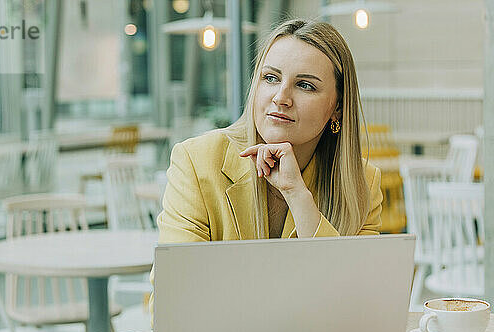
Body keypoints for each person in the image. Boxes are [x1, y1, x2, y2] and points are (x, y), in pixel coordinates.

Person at [149, 18, 383, 313]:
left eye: (305, 85)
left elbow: (359, 310)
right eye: (270, 78)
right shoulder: (196, 161)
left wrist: (298, 197)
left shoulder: (363, 182)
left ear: (337, 107)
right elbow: (170, 304)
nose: (281, 97)